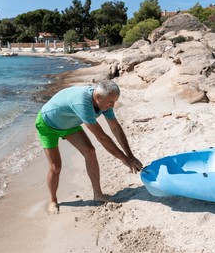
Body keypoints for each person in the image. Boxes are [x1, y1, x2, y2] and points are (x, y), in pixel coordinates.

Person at [35, 80, 143, 213]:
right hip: (48, 125)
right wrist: (124, 159)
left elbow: (115, 128)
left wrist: (130, 155)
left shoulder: (105, 103)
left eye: (114, 102)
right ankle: (53, 200)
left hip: (70, 125)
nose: (112, 105)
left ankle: (98, 194)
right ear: (98, 97)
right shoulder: (82, 103)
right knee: (55, 167)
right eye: (111, 102)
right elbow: (101, 137)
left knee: (90, 152)